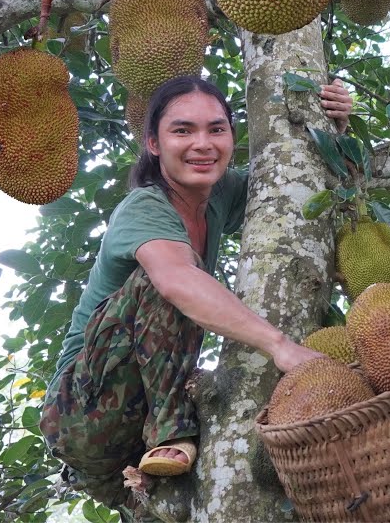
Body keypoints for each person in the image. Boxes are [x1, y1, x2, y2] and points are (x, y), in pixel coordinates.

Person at [41, 74, 352, 512]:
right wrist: (278, 346)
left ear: (232, 136)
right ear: (153, 143)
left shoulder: (221, 194)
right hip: (82, 409)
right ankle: (173, 431)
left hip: (133, 442)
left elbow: (303, 187)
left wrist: (333, 127)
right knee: (171, 281)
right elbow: (175, 281)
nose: (202, 144)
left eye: (216, 129)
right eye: (182, 130)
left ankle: (160, 467)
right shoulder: (144, 207)